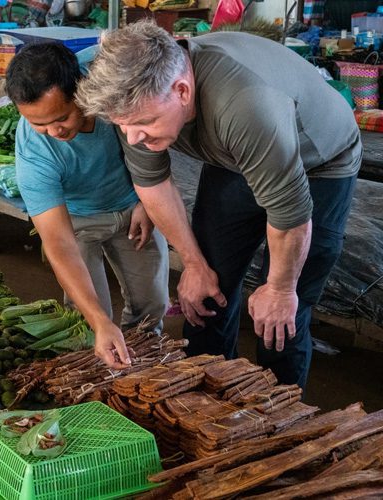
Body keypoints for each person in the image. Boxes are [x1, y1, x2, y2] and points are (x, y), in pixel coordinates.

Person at [76, 21, 361, 387]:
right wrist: (193, 264)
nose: (133, 137)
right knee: (205, 290)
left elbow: (289, 215)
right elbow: (153, 183)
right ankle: (207, 396)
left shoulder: (245, 105)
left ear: (181, 90)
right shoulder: (136, 101)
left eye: (144, 124)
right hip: (234, 156)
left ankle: (277, 411)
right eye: (123, 126)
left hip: (320, 160)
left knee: (283, 313)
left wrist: (278, 288)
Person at [6, 42, 169, 370]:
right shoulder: (34, 150)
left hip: (132, 206)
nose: (53, 132)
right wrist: (100, 322)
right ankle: (107, 372)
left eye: (61, 117)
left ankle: (147, 366)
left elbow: (158, 138)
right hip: (76, 221)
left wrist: (144, 201)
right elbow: (58, 242)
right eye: (39, 124)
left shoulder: (113, 84)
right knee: (89, 316)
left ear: (82, 89)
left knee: (152, 303)